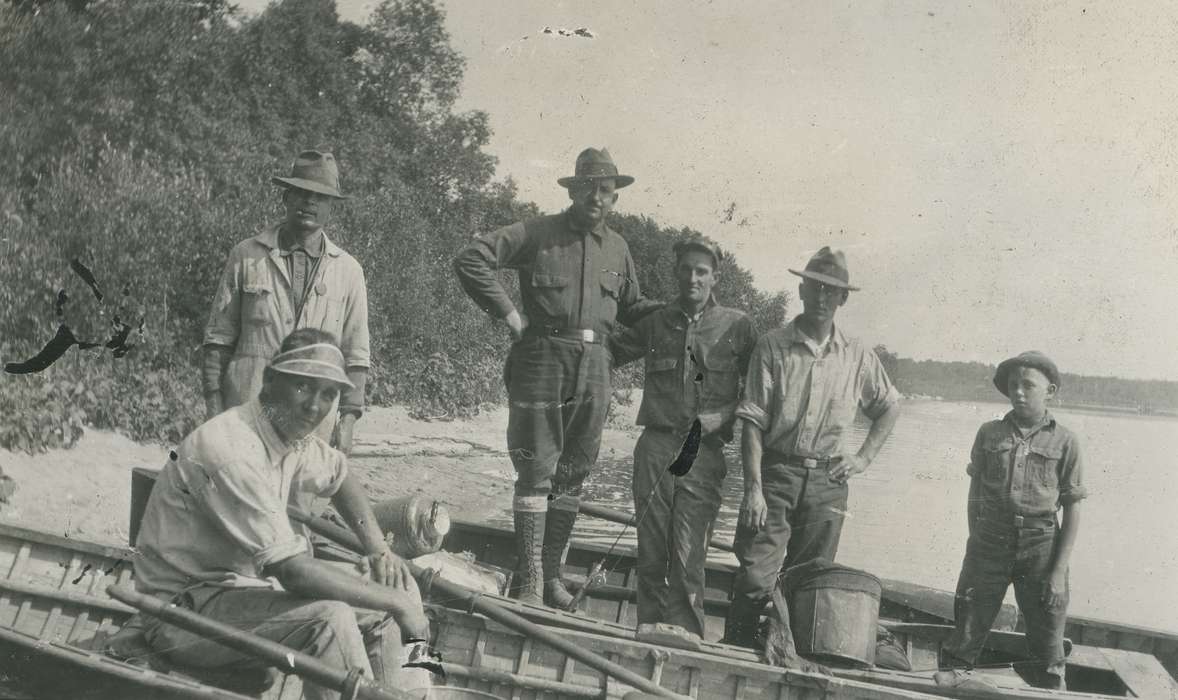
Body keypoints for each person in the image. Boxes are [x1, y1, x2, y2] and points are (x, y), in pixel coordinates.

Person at [134, 329, 431, 698]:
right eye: (303, 387)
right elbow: (292, 572)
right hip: (181, 614)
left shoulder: (287, 432)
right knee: (331, 619)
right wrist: (398, 604)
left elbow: (340, 477)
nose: (314, 407)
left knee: (394, 585)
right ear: (270, 381)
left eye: (328, 394)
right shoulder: (232, 451)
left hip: (243, 593)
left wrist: (378, 550)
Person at [453, 148, 662, 609]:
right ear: (573, 190)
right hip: (542, 361)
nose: (596, 198)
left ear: (615, 198)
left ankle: (551, 579)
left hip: (595, 370)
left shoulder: (619, 248)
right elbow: (473, 258)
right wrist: (508, 313)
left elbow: (633, 308)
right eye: (587, 188)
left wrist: (660, 326)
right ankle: (528, 584)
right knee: (536, 470)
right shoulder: (538, 232)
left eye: (605, 191)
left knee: (573, 475)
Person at [724, 246, 901, 666]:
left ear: (843, 299)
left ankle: (791, 667)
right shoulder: (772, 347)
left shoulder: (858, 355)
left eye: (832, 291)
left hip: (828, 485)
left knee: (808, 584)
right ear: (801, 290)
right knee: (754, 578)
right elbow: (751, 420)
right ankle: (732, 660)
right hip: (776, 475)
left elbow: (890, 406)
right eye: (815, 287)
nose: (822, 297)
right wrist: (753, 488)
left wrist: (862, 459)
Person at [611, 236, 757, 646]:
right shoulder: (656, 321)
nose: (693, 278)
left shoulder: (738, 326)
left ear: (715, 277)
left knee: (690, 556)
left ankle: (685, 641)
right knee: (651, 554)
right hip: (655, 447)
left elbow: (760, 391)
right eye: (686, 269)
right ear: (676, 272)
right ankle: (646, 638)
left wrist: (722, 415)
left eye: (702, 271)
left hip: (703, 453)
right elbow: (607, 354)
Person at [935, 351, 1086, 691]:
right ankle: (951, 683)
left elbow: (1073, 508)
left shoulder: (1066, 441)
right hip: (989, 541)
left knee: (1048, 641)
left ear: (1050, 391)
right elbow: (974, 494)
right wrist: (977, 542)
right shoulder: (989, 433)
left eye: (1028, 385)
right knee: (968, 629)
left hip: (1041, 547)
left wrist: (1058, 571)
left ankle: (1047, 688)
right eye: (1013, 385)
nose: (1018, 392)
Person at [202, 150, 369, 454]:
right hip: (245, 409)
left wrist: (347, 422)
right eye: (301, 193)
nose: (309, 203)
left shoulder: (348, 270)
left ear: (331, 207)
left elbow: (355, 355)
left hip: (312, 419)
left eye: (320, 197)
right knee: (239, 495)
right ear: (286, 197)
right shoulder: (247, 256)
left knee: (299, 499)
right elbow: (218, 339)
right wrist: (214, 403)